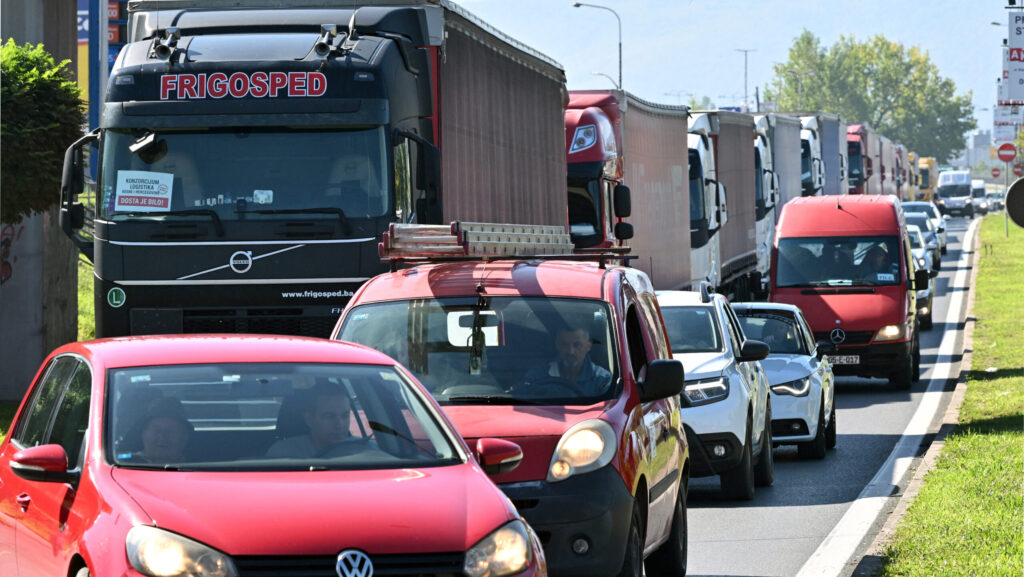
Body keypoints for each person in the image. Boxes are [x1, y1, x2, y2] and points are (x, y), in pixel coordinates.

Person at [266, 383, 372, 458]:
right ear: (309, 419)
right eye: (329, 416)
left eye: (345, 415)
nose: (339, 424)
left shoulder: (367, 452)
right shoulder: (283, 453)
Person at [523, 325, 612, 396]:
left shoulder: (602, 380)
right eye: (565, 345)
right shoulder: (537, 375)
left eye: (577, 345)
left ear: (588, 346)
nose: (571, 352)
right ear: (557, 345)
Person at [133, 397, 193, 463]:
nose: (162, 437)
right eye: (156, 430)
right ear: (143, 434)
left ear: (184, 438)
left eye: (170, 431)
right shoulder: (123, 461)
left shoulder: (200, 466)